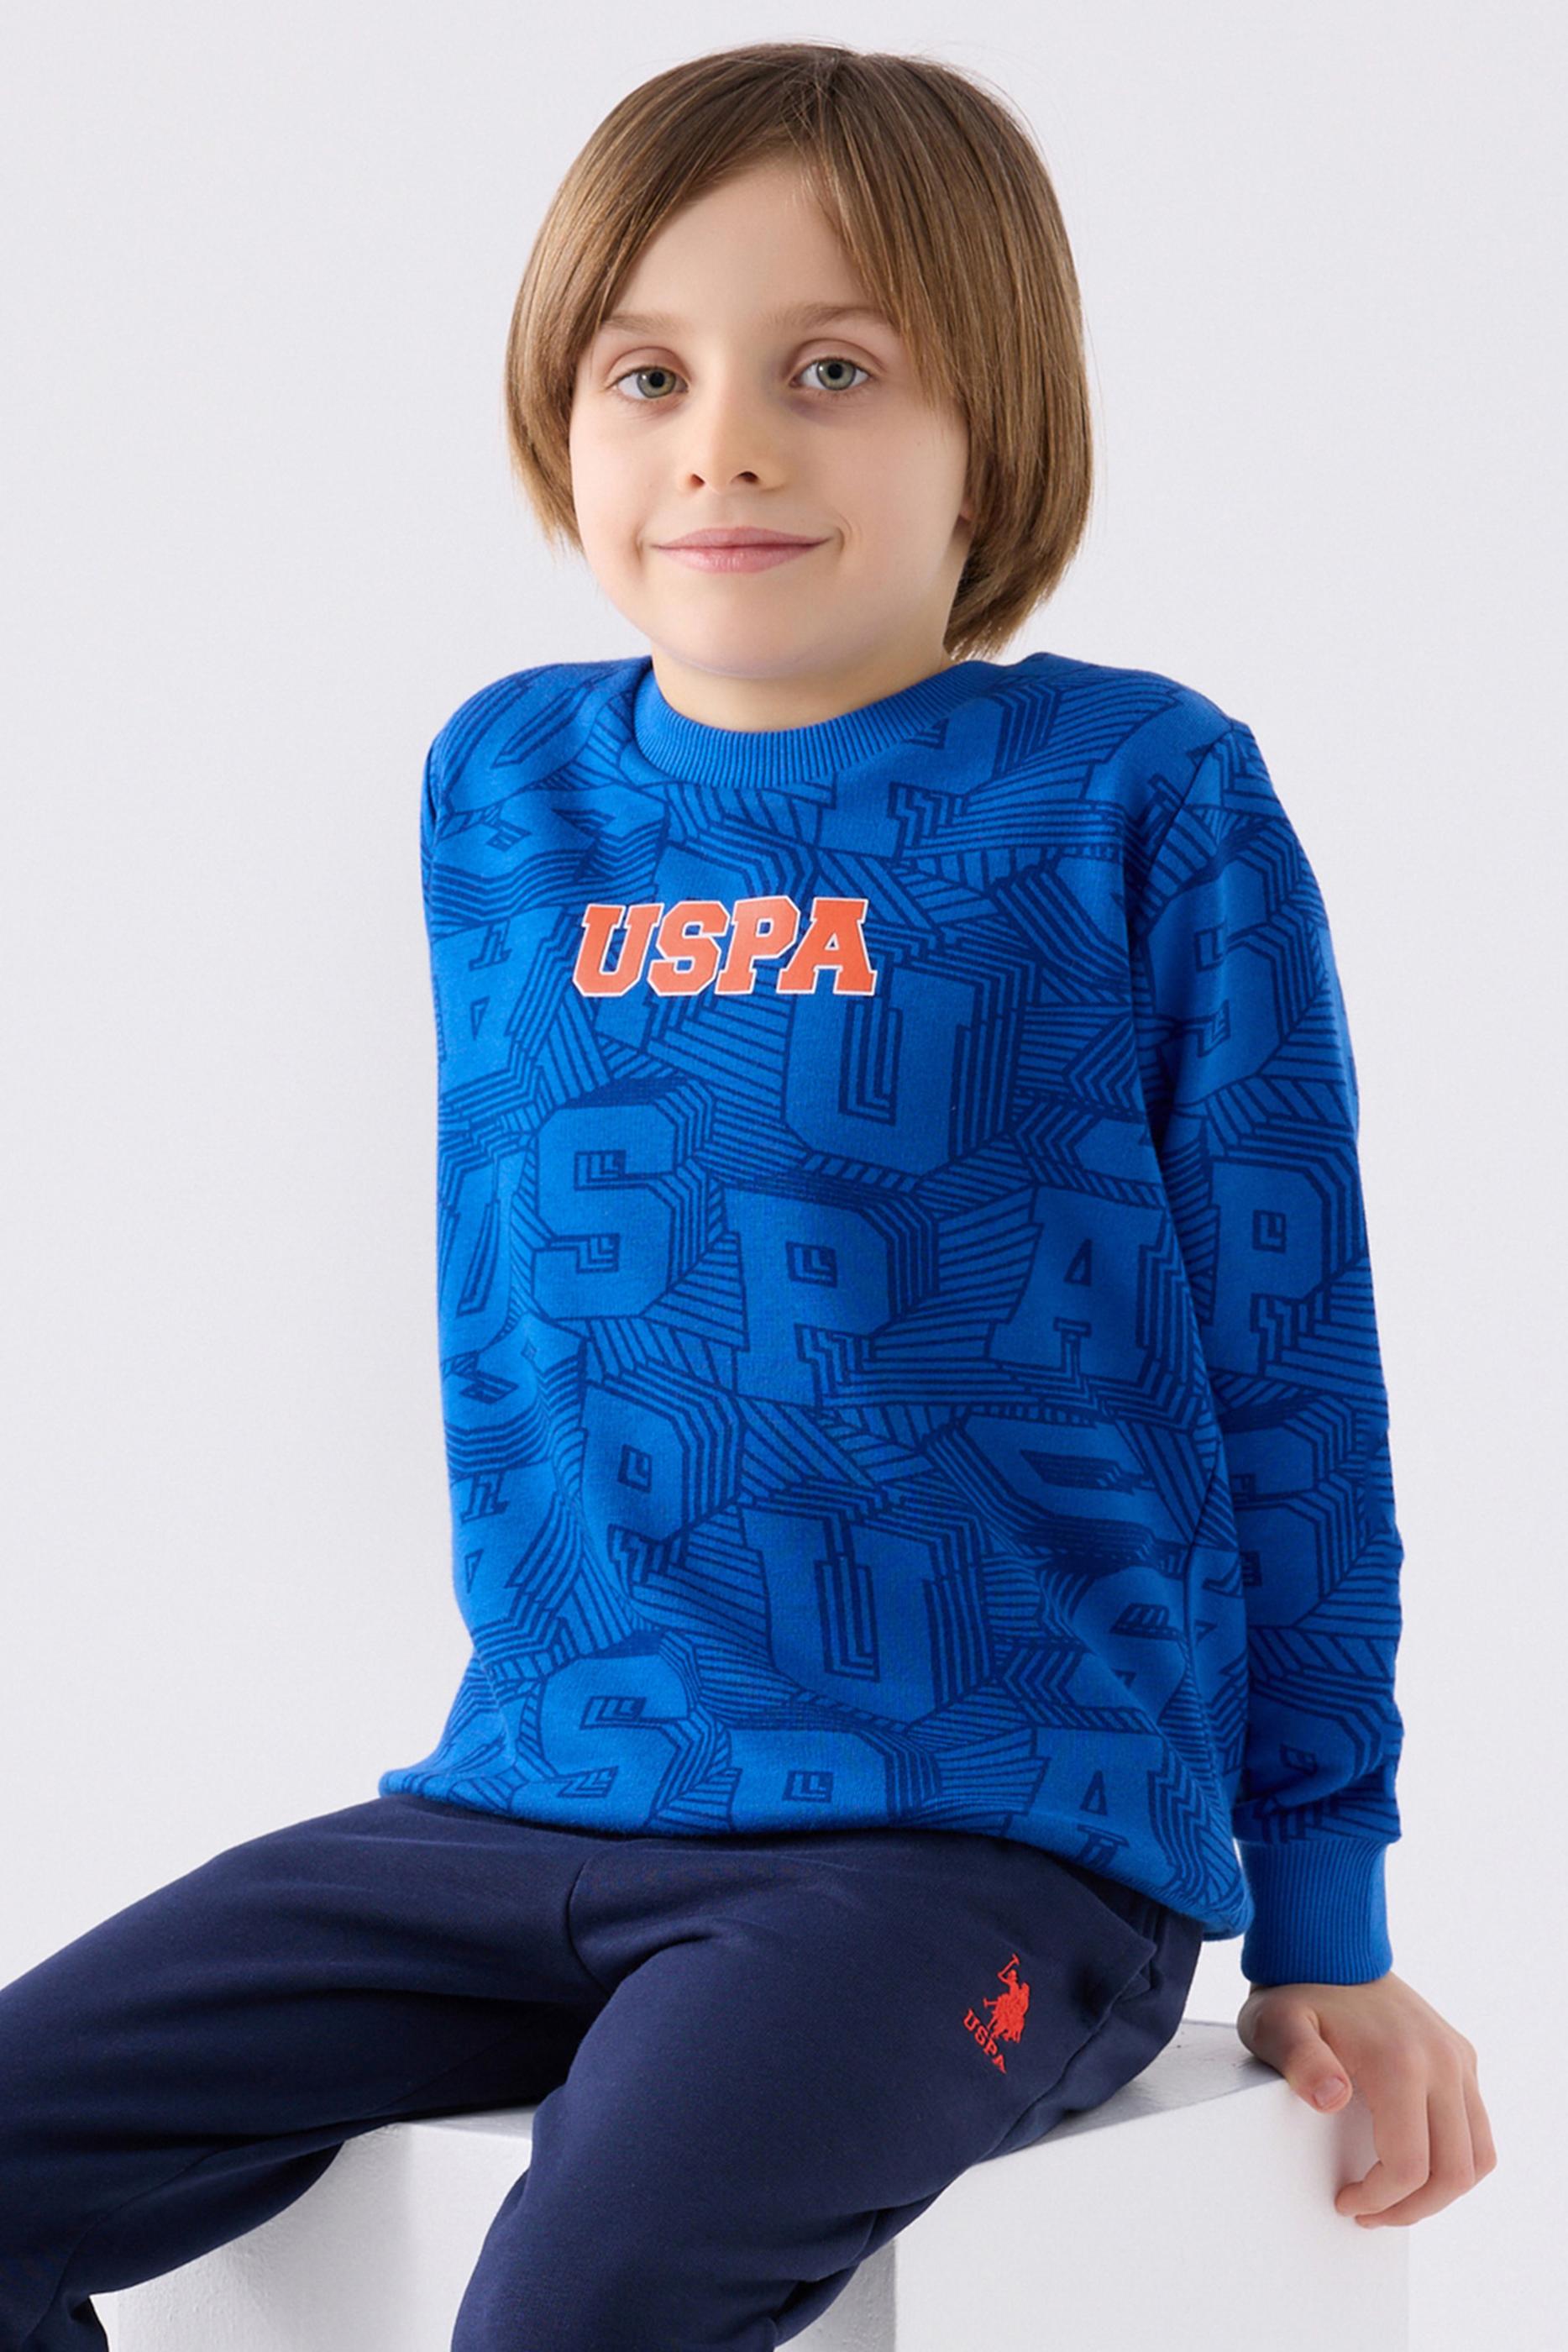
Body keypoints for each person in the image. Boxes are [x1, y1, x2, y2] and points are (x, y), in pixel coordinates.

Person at [0, 39, 1494, 2352]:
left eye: (832, 371)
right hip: (527, 1793)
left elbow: (1291, 1367)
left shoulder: (1135, 796)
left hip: (977, 1841)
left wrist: (1328, 1917)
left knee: (581, 2300)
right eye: (646, 374)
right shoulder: (504, 784)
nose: (723, 442)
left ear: (993, 422)